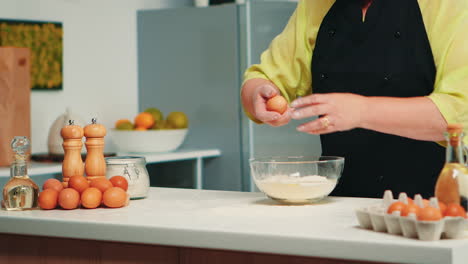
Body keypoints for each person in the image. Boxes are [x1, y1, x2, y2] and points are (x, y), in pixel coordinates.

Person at [241, 0, 468, 198]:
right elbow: (264, 77)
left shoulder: (449, 5)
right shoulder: (316, 5)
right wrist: (259, 92)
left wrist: (361, 111)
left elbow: (458, 113)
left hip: (436, 204)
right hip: (341, 200)